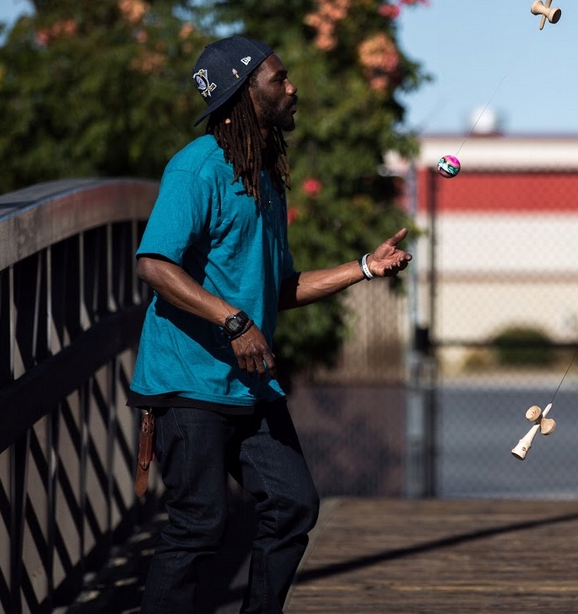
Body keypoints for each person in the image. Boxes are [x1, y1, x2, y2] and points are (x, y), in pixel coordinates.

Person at [129, 35, 412, 613]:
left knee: (292, 506)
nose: (293, 87)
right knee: (199, 525)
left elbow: (277, 288)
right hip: (189, 382)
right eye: (278, 79)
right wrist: (233, 321)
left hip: (250, 382)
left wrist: (362, 268)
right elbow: (154, 265)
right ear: (242, 94)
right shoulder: (196, 168)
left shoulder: (264, 178)